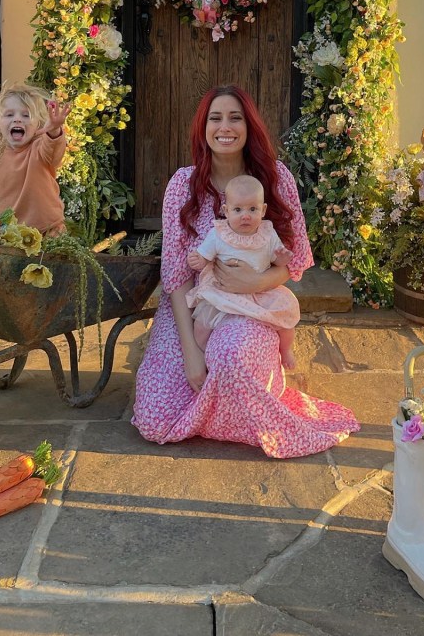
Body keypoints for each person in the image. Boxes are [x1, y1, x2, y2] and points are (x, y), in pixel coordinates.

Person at [132, 85, 360, 459]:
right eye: (215, 118)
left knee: (232, 356)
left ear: (249, 126)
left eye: (235, 117)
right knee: (157, 419)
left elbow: (295, 258)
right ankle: (227, 400)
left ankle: (255, 383)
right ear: (203, 128)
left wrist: (257, 281)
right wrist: (190, 350)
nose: (226, 127)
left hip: (253, 306)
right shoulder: (182, 186)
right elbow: (175, 274)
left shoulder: (275, 177)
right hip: (194, 309)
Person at [187, 174, 300, 369]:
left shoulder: (267, 233)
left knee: (286, 320)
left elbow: (277, 259)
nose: (245, 215)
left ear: (263, 210)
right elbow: (205, 254)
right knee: (201, 326)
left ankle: (285, 349)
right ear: (226, 211)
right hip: (224, 293)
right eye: (238, 209)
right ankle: (205, 353)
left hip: (261, 291)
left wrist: (282, 257)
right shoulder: (219, 234)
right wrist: (199, 260)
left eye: (253, 209)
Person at [0, 82, 71, 236]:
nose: (17, 119)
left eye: (26, 115)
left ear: (39, 124)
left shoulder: (40, 148)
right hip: (2, 236)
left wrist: (54, 130)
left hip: (46, 233)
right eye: (9, 114)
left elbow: (54, 152)